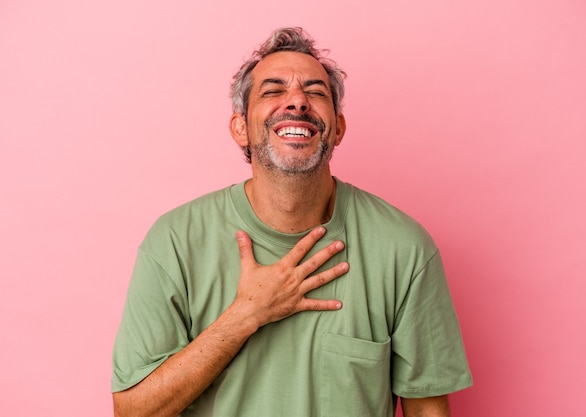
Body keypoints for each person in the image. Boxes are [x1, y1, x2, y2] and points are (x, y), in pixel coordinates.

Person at [111, 27, 472, 417]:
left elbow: (428, 409)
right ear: (240, 128)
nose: (297, 101)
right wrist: (246, 314)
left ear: (338, 128)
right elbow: (133, 411)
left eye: (316, 92)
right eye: (273, 91)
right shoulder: (174, 242)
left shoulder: (404, 248)